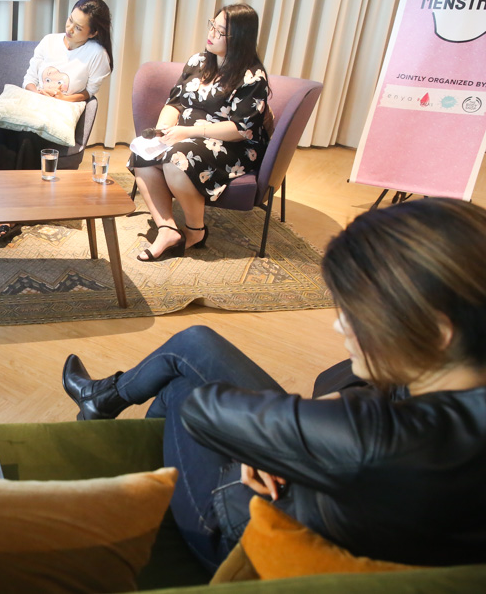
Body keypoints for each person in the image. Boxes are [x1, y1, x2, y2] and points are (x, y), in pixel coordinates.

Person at [63, 198, 486, 572]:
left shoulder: (389, 438)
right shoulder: (461, 383)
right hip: (316, 494)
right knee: (193, 344)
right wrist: (297, 442)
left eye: (359, 315)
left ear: (436, 331)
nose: (341, 325)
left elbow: (204, 410)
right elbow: (354, 387)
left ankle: (136, 484)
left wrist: (273, 443)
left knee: (178, 390)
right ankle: (106, 408)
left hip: (241, 531)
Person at [131, 3, 270, 261]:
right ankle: (167, 228)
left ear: (239, 38)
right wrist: (165, 129)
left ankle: (196, 230)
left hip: (230, 145)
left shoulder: (252, 77)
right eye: (212, 25)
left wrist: (187, 133)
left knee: (177, 159)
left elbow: (241, 128)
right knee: (142, 153)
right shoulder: (198, 61)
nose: (212, 33)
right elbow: (175, 102)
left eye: (220, 31)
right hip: (185, 136)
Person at [0, 0, 113, 244]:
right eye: (69, 20)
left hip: (58, 113)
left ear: (94, 32)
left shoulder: (97, 55)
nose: (69, 29)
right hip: (34, 102)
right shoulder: (49, 42)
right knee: (1, 135)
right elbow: (29, 78)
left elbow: (89, 93)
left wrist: (64, 98)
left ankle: (10, 214)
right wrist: (37, 91)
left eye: (78, 27)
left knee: (28, 139)